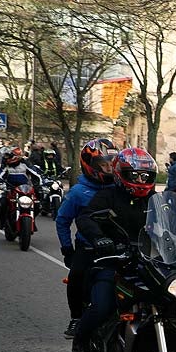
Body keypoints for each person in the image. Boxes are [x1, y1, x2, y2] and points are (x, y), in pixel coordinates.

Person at [72, 147, 158, 352]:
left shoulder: (156, 200)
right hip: (114, 261)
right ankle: (80, 342)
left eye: (145, 175)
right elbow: (86, 218)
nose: (141, 179)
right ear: (122, 173)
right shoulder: (108, 195)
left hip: (148, 263)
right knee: (101, 306)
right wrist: (99, 238)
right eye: (135, 175)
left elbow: (174, 223)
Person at [56, 139, 117, 339]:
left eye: (112, 163)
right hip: (88, 247)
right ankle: (76, 318)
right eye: (104, 164)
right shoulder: (78, 193)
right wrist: (67, 249)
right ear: (89, 165)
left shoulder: (119, 188)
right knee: (76, 277)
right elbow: (63, 220)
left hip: (116, 246)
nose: (109, 168)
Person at [0, 148, 43, 229]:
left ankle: (32, 220)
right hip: (10, 188)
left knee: (37, 204)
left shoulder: (25, 163)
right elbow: (1, 175)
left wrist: (39, 185)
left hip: (25, 189)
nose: (6, 158)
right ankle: (2, 221)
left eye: (8, 156)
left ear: (15, 156)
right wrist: (1, 183)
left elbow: (36, 174)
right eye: (6, 156)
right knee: (2, 202)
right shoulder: (6, 164)